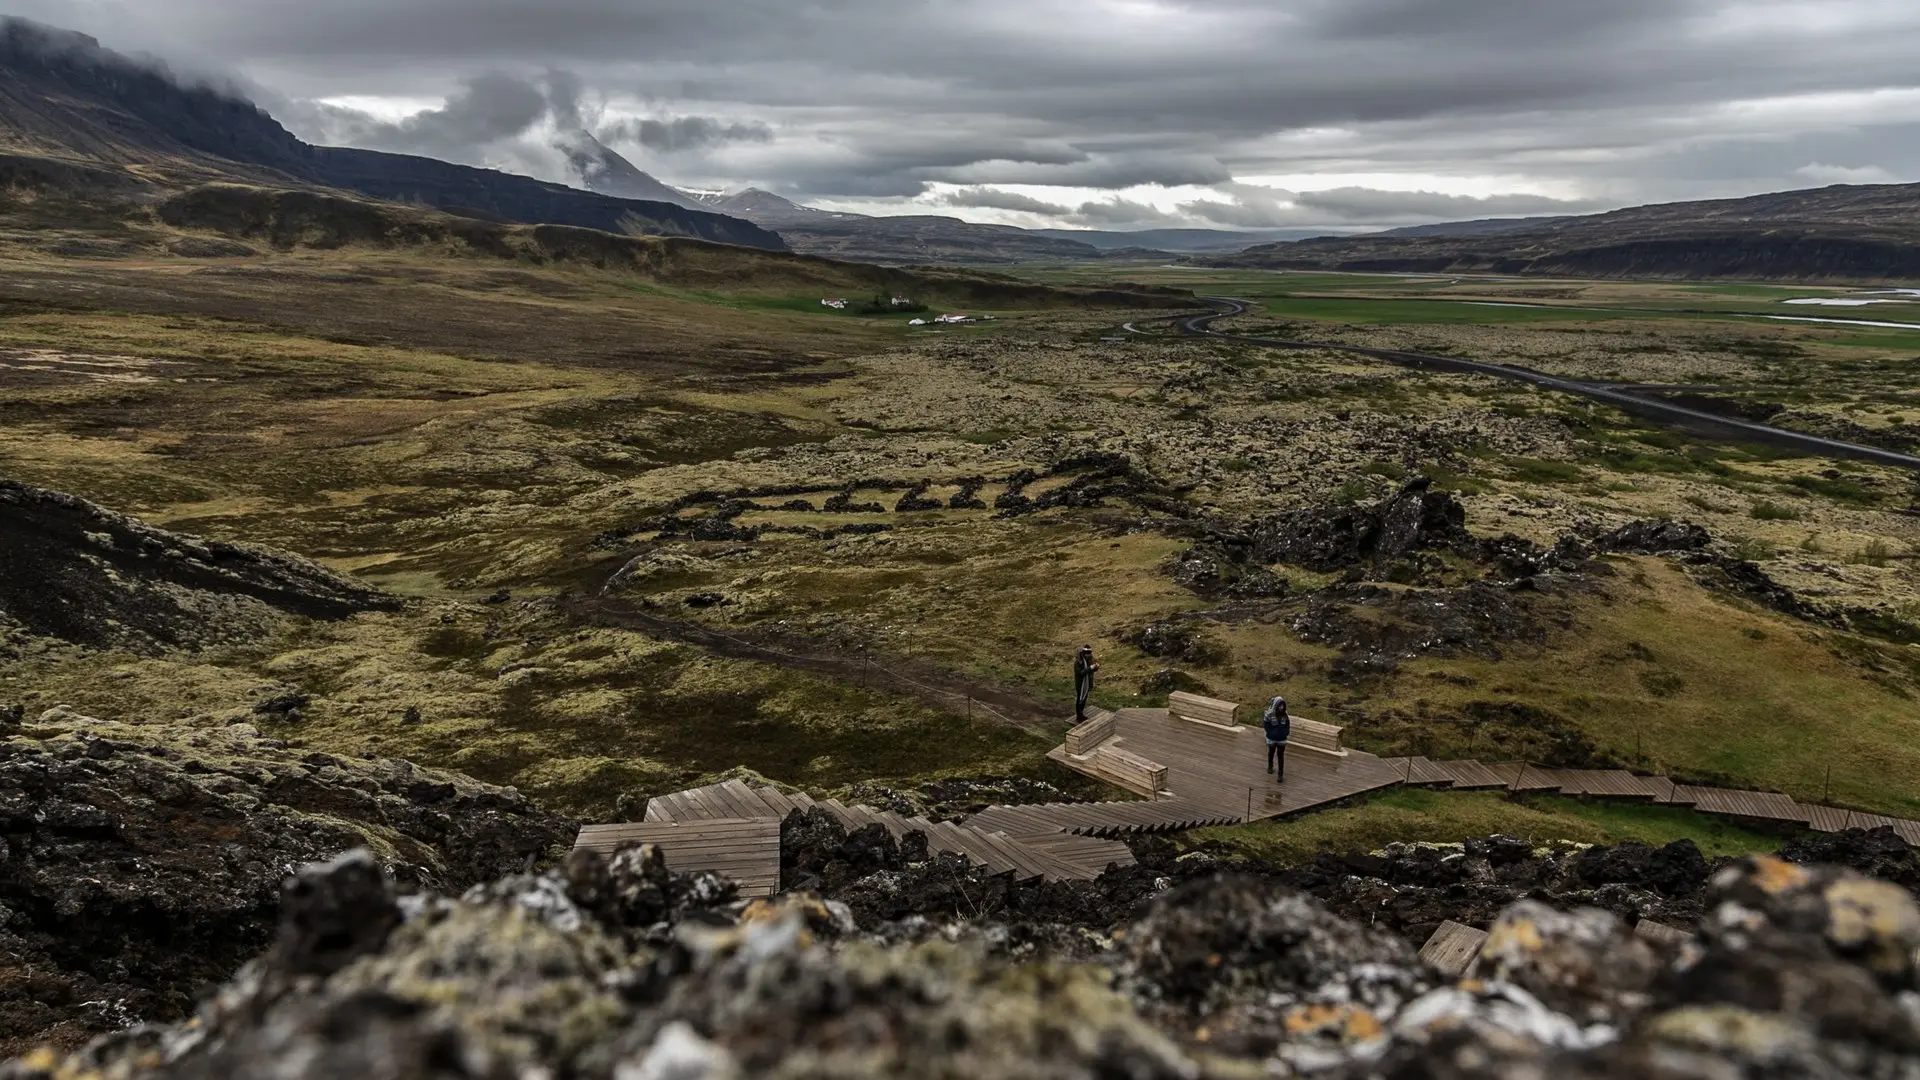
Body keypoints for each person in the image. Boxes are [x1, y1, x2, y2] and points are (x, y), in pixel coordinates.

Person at [1263, 696, 1290, 781]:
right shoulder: (1270, 714)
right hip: (1272, 738)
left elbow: (1287, 725)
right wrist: (1270, 732)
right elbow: (1266, 724)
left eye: (1282, 705)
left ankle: (1280, 774)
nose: (1281, 707)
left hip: (1282, 739)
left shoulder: (1285, 715)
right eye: (1280, 705)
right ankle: (1270, 767)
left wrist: (1286, 732)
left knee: (1280, 756)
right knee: (1271, 753)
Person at [1073, 645, 1099, 721]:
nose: (1088, 655)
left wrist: (1095, 668)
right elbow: (1081, 673)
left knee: (1084, 699)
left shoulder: (1089, 659)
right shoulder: (1078, 662)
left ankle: (1081, 713)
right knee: (1080, 699)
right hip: (1081, 684)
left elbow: (1089, 671)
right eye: (1087, 654)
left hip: (1087, 683)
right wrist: (1090, 668)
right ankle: (1079, 715)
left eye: (1089, 654)